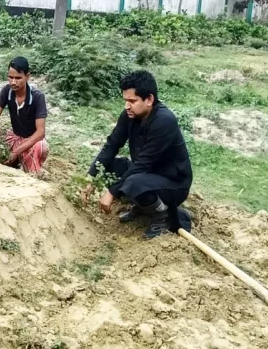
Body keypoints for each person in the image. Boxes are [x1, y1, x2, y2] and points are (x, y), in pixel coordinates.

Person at [81, 70, 193, 239]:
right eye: (125, 100)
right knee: (112, 166)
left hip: (173, 184)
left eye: (132, 101)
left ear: (149, 99)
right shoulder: (129, 115)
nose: (127, 105)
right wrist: (90, 178)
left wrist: (111, 192)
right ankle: (143, 207)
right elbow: (111, 146)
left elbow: (143, 164)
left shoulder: (164, 121)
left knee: (133, 181)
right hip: (147, 176)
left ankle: (162, 217)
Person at [0, 57, 49, 176]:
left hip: (29, 141)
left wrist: (16, 151)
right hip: (14, 137)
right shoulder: (7, 91)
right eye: (10, 77)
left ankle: (30, 172)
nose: (13, 82)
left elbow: (40, 132)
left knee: (41, 146)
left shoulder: (37, 97)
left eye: (18, 78)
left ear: (27, 77)